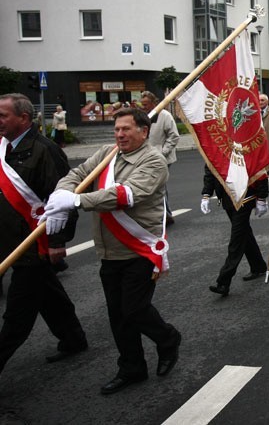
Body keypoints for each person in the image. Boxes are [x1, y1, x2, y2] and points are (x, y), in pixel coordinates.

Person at [44, 108, 181, 395]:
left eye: (126, 129)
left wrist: (77, 201)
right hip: (109, 250)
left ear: (144, 132)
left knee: (134, 309)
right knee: (117, 315)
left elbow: (126, 195)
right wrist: (61, 193)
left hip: (139, 249)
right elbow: (78, 173)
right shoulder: (108, 152)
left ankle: (168, 339)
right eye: (117, 129)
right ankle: (131, 368)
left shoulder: (154, 160)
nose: (119, 134)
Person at [0, 93, 87, 376]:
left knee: (17, 314)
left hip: (33, 243)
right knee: (50, 297)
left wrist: (57, 242)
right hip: (10, 241)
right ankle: (73, 339)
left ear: (23, 118)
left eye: (3, 115)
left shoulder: (45, 150)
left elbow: (64, 197)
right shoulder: (4, 149)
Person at [201, 165, 269, 297]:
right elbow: (210, 169)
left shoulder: (242, 144)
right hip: (226, 197)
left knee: (236, 240)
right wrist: (206, 194)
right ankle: (258, 266)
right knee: (244, 233)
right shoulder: (216, 145)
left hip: (244, 195)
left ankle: (224, 282)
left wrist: (262, 197)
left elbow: (257, 165)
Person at [139, 91, 179, 225]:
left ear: (153, 103)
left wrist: (163, 152)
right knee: (152, 187)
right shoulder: (144, 116)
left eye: (146, 104)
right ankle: (159, 214)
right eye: (142, 104)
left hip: (162, 158)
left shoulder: (165, 116)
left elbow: (174, 136)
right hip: (147, 157)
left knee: (158, 186)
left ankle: (166, 215)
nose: (143, 107)